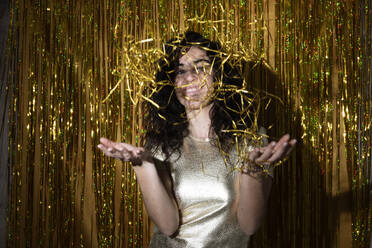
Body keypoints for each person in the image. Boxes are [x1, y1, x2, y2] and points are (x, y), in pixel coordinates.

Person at [97, 31, 296, 247]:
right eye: (179, 71)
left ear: (219, 76)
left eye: (200, 67)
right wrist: (142, 164)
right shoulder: (158, 144)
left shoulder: (251, 140)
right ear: (170, 82)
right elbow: (168, 225)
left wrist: (253, 171)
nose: (189, 77)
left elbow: (249, 225)